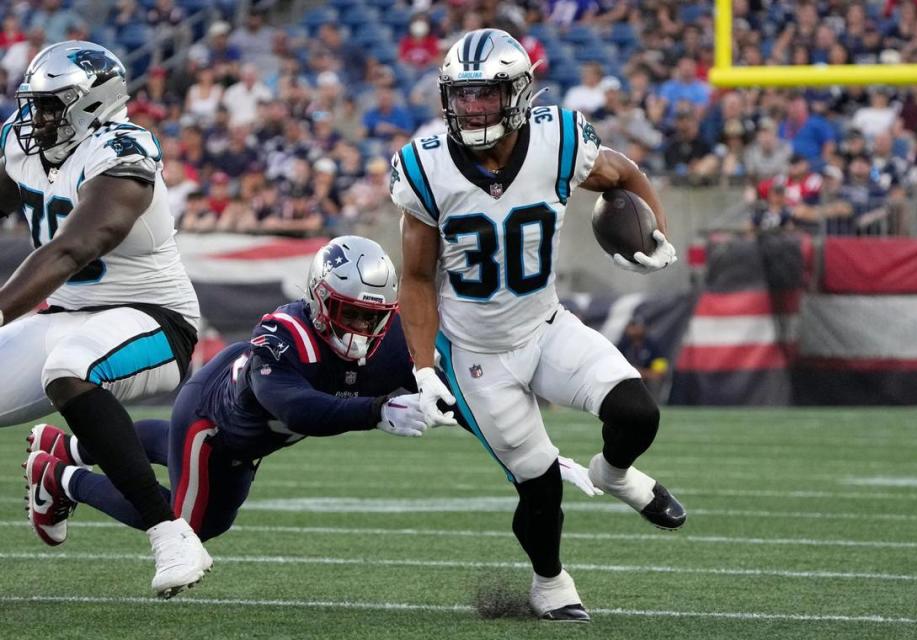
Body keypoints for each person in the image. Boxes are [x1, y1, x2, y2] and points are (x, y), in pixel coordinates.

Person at [391, 29, 685, 622]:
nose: (473, 108)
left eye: (487, 95)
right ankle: (550, 582)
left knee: (637, 413)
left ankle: (613, 473)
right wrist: (424, 368)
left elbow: (623, 173)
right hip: (476, 356)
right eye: (462, 95)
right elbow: (417, 279)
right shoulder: (426, 168)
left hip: (545, 326)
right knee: (540, 485)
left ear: (519, 93)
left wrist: (655, 229)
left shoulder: (557, 139)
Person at [27, 237, 600, 542]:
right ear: (322, 300)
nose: (361, 329)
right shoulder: (286, 332)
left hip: (254, 440)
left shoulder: (396, 340)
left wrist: (532, 456)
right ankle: (63, 479)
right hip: (215, 422)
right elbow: (293, 405)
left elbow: (462, 401)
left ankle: (72, 446)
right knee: (193, 525)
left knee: (173, 458)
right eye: (349, 313)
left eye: (372, 316)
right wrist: (376, 410)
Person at [0, 42, 210, 598]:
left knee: (71, 368)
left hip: (157, 321)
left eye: (50, 106)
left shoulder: (123, 150)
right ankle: (52, 475)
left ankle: (168, 531)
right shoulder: (22, 147)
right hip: (68, 315)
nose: (34, 118)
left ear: (92, 104)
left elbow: (75, 248)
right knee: (69, 356)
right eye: (33, 104)